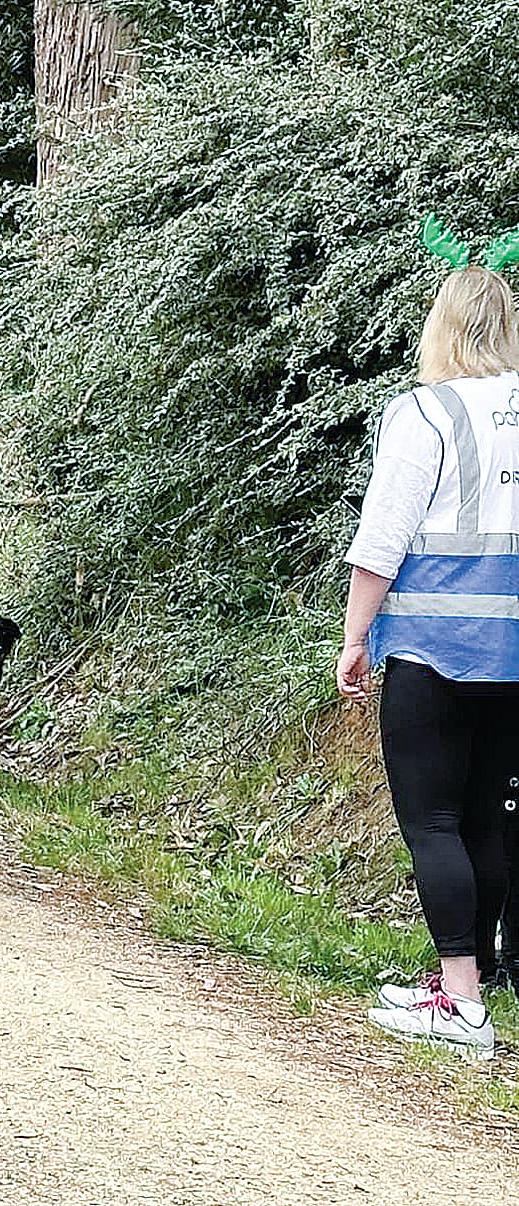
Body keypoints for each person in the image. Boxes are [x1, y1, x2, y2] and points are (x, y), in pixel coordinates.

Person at [339, 259, 519, 1059]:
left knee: (434, 821)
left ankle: (463, 1003)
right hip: (514, 655)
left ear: (441, 327)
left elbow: (383, 537)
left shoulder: (425, 411)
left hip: (435, 647)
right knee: (486, 818)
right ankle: (470, 975)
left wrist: (355, 637)